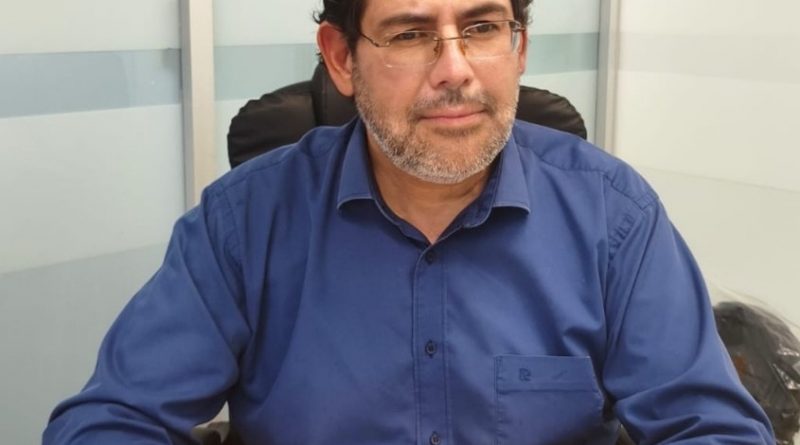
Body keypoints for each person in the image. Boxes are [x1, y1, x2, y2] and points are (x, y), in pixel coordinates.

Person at [44, 0, 775, 444]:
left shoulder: (613, 215)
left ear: (518, 47)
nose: (454, 69)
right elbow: (107, 422)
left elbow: (712, 427)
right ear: (341, 58)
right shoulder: (245, 223)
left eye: (481, 27)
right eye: (409, 33)